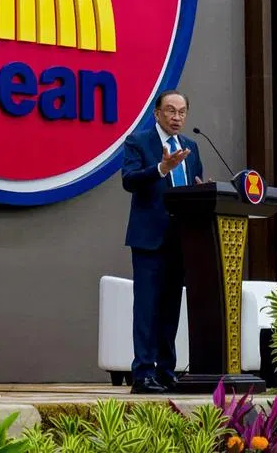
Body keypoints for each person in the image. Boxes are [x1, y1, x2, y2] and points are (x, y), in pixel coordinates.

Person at [119, 89, 203, 394]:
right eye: (170, 111)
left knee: (170, 309)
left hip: (182, 241)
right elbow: (129, 180)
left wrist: (201, 190)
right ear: (157, 113)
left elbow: (193, 188)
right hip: (149, 240)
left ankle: (166, 372)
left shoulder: (191, 146)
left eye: (181, 112)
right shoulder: (138, 141)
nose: (176, 117)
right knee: (147, 309)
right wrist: (160, 169)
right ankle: (142, 374)